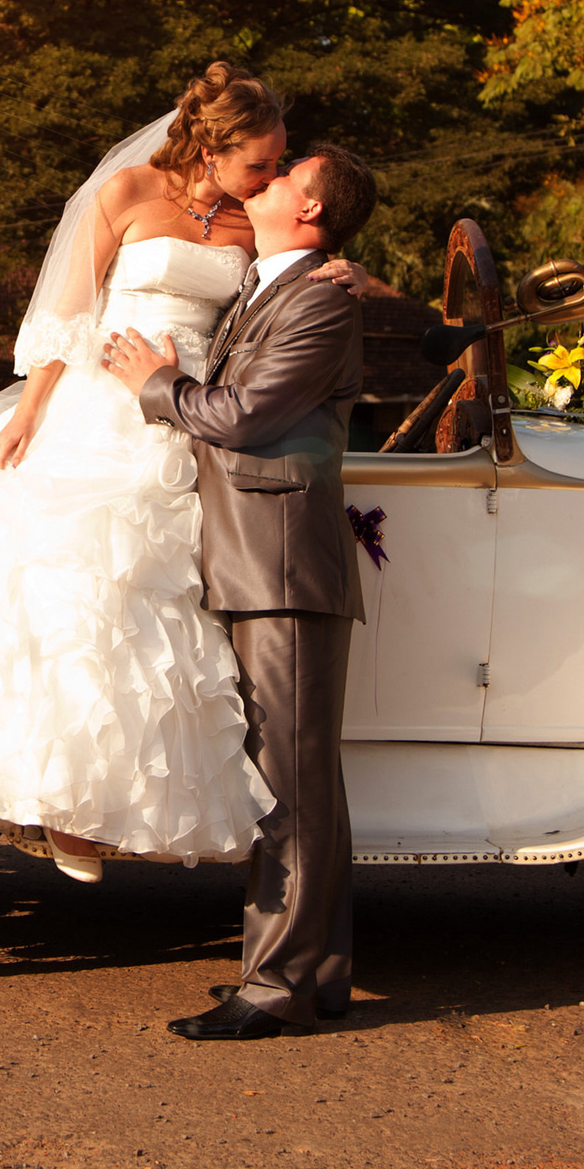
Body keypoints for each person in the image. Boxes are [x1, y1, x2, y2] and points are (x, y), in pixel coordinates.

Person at [0, 63, 363, 881]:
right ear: (215, 148)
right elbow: (70, 309)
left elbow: (285, 290)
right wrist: (31, 408)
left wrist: (343, 268)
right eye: (258, 164)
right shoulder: (125, 193)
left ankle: (90, 806)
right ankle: (28, 786)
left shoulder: (247, 227)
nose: (267, 179)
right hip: (98, 402)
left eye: (275, 168)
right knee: (56, 587)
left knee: (138, 615)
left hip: (184, 422)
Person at [101, 142, 376, 1041]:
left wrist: (156, 384)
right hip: (256, 558)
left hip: (284, 564)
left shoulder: (320, 303)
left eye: (287, 176)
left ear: (310, 212)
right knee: (301, 776)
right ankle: (321, 972)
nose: (267, 179)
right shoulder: (276, 283)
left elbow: (244, 416)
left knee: (289, 786)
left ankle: (275, 985)